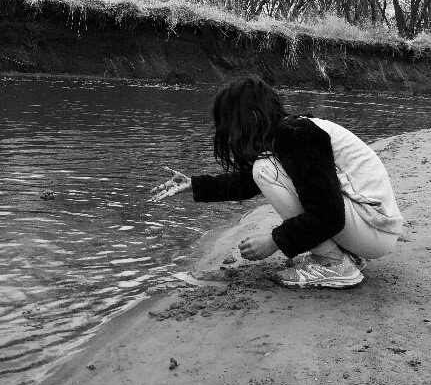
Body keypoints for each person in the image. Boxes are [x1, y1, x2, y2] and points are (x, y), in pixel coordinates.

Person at [151, 76, 403, 289]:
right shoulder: (292, 132)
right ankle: (342, 257)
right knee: (263, 170)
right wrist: (195, 185)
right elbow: (249, 182)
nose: (228, 133)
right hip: (373, 228)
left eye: (230, 123)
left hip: (374, 229)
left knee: (264, 169)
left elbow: (329, 214)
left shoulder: (297, 136)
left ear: (249, 116)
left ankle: (334, 264)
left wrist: (274, 241)